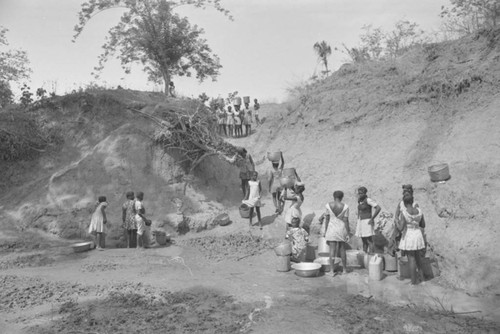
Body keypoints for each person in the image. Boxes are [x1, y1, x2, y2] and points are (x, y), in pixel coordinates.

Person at [397, 194, 426, 285]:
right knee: (418, 258)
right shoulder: (419, 211)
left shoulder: (404, 213)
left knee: (411, 259)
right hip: (417, 234)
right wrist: (415, 223)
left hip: (409, 235)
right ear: (412, 201)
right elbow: (423, 225)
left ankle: (413, 282)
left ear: (404, 203)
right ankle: (423, 280)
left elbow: (401, 228)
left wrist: (396, 222)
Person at [323, 191, 350, 276]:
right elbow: (346, 220)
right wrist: (348, 233)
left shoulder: (328, 205)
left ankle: (331, 271)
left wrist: (325, 230)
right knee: (342, 250)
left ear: (333, 196)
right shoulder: (345, 206)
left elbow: (327, 219)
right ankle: (345, 270)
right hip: (341, 229)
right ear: (342, 197)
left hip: (331, 229)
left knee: (332, 250)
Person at [394, 184, 419, 252]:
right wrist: (397, 221)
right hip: (401, 224)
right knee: (395, 234)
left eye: (407, 192)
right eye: (404, 192)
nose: (405, 194)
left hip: (410, 227)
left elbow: (416, 216)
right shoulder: (401, 203)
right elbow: (396, 215)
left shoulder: (415, 204)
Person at [355, 186, 381, 253]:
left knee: (369, 241)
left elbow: (378, 208)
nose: (360, 195)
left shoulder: (368, 200)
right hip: (361, 222)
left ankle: (371, 257)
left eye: (361, 193)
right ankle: (365, 257)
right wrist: (358, 220)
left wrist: (372, 218)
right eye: (359, 193)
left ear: (365, 193)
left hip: (367, 222)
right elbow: (359, 212)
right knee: (364, 241)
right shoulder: (360, 201)